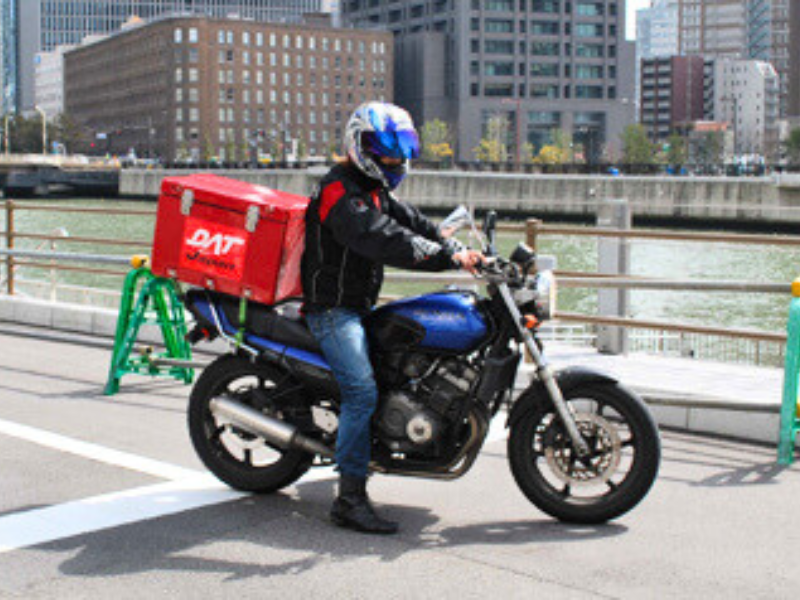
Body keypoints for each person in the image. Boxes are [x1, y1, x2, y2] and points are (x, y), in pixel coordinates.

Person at [301, 102, 483, 534]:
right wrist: (445, 259)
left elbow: (411, 222)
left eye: (399, 152)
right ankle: (349, 499)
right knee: (361, 392)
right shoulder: (339, 192)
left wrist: (457, 247)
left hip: (360, 305)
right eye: (384, 152)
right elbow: (383, 237)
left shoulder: (373, 188)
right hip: (333, 310)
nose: (394, 160)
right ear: (359, 146)